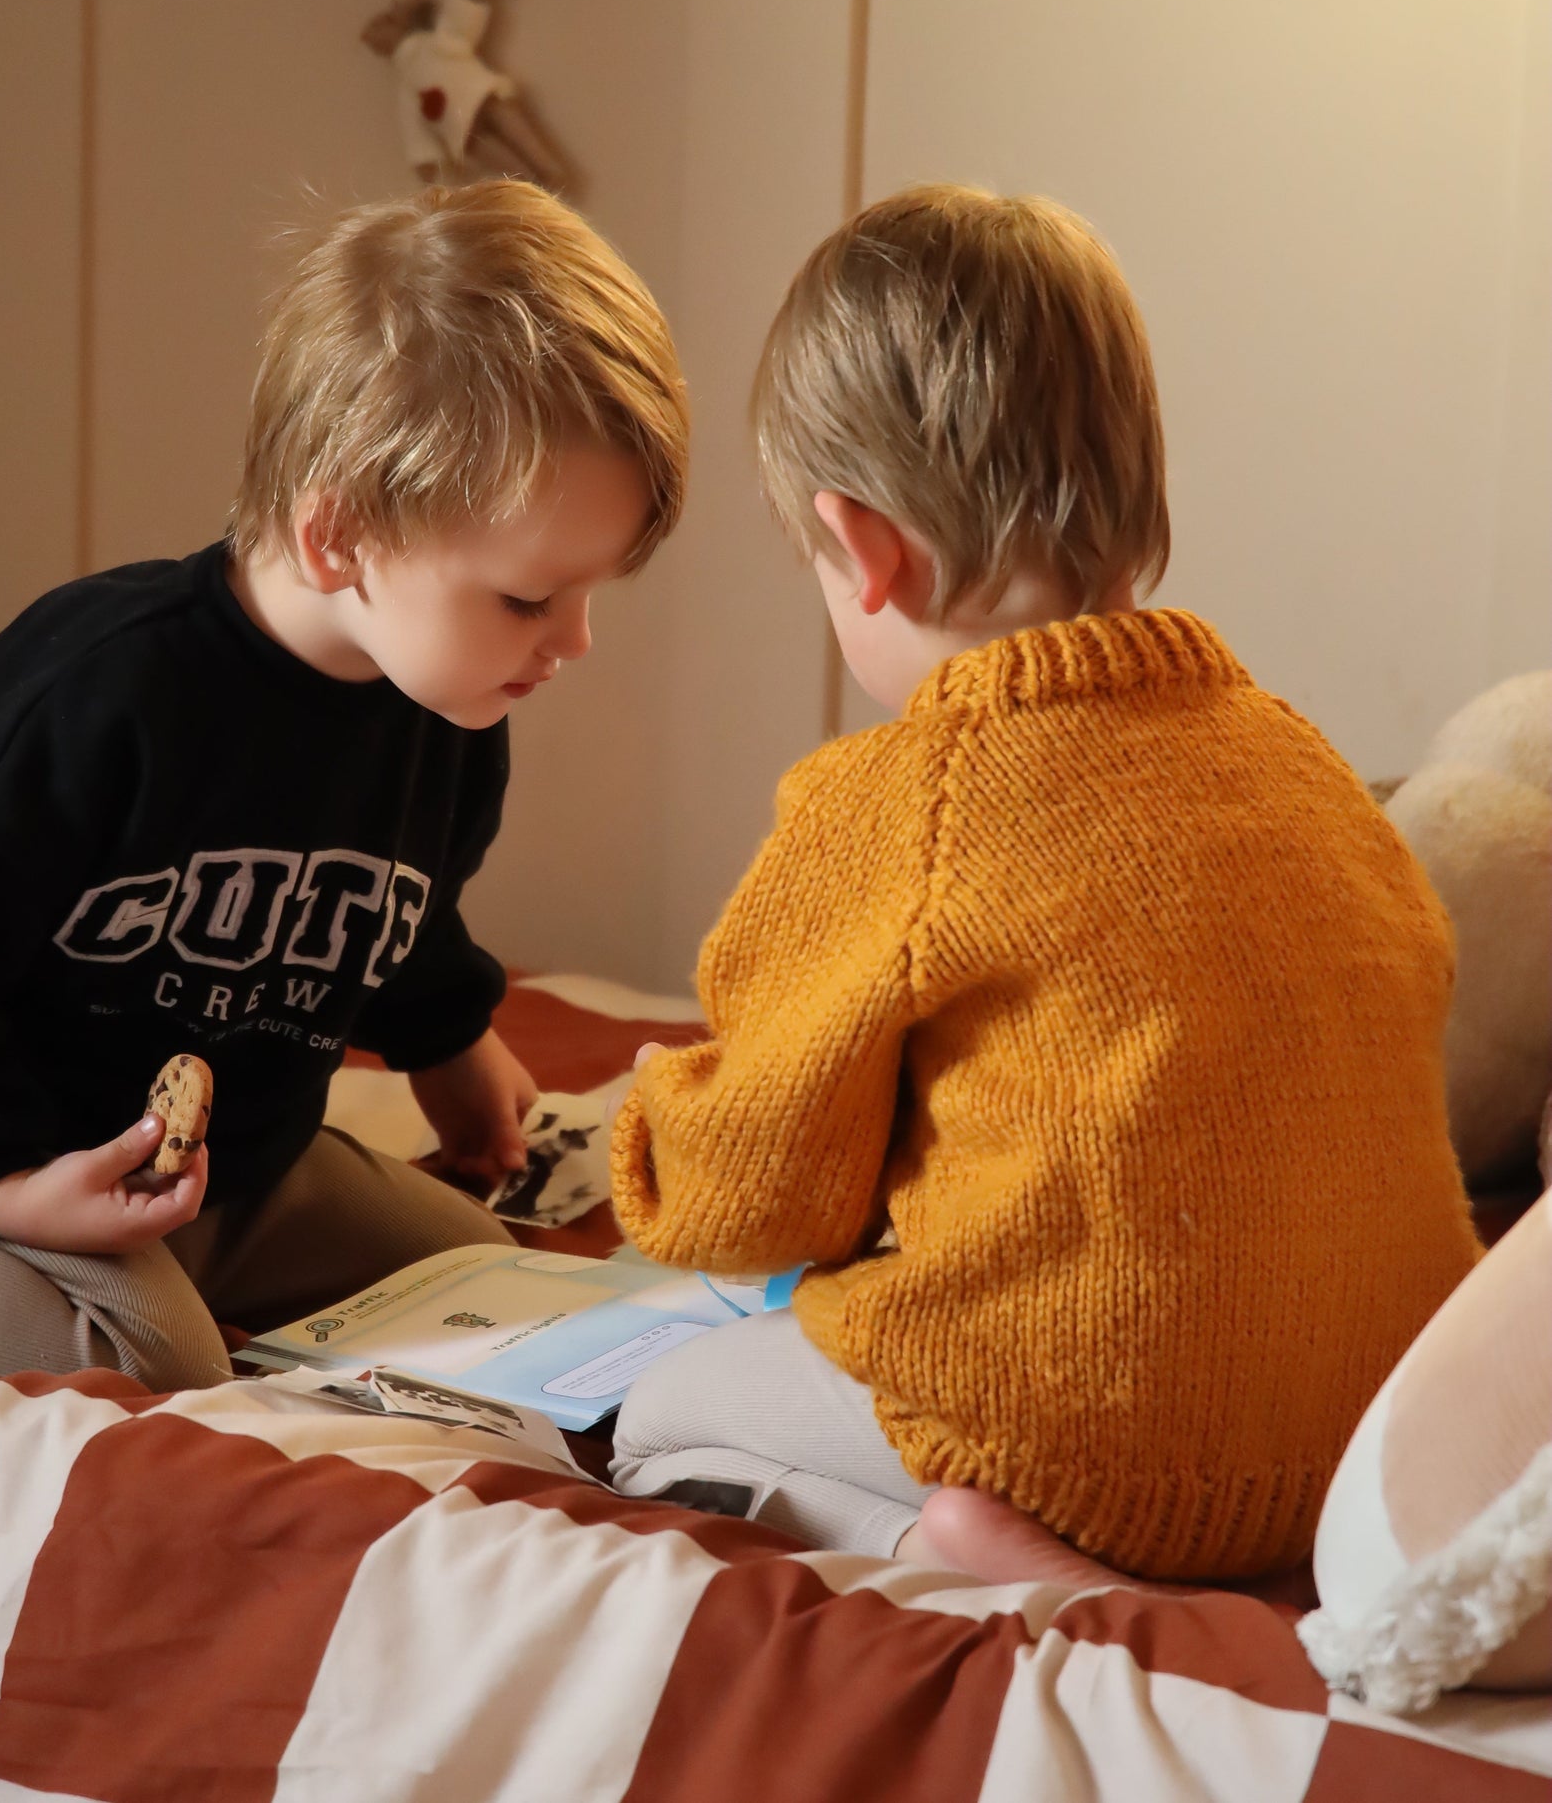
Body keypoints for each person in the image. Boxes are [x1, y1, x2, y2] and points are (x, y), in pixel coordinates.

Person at [0, 179, 688, 1392]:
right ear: (340, 538)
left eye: (588, 593)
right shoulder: (100, 693)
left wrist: (448, 1042)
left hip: (216, 1160)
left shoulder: (446, 706)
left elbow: (389, 902)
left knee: (489, 1283)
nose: (573, 640)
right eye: (530, 597)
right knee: (145, 1351)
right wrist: (2, 1178)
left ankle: (175, 1262)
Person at [608, 183, 1482, 1583]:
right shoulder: (1299, 759)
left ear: (866, 549)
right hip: (1366, 1434)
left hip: (1084, 1447)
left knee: (658, 1420)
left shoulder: (903, 800)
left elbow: (757, 1199)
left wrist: (654, 1121)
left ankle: (993, 1555)